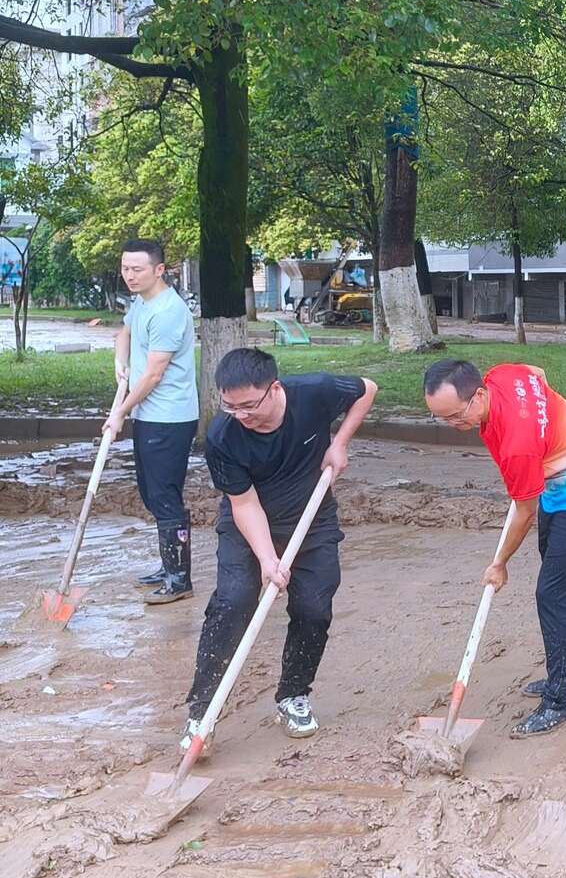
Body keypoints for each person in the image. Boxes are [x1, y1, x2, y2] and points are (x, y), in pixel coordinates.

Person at [185, 349, 376, 746]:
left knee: (313, 607)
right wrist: (268, 559)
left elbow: (366, 390)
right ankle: (201, 713)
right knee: (233, 602)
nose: (241, 415)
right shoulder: (222, 436)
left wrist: (339, 443)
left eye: (249, 405)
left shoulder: (314, 392)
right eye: (230, 406)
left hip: (312, 520)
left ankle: (293, 694)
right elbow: (244, 504)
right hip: (249, 526)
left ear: (274, 389)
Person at [423, 358, 566, 737]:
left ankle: (561, 700)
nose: (452, 425)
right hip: (558, 478)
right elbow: (539, 374)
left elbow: (524, 512)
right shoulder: (501, 375)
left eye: (455, 416)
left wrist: (500, 564)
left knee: (552, 593)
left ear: (477, 395)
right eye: (440, 418)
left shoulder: (516, 444)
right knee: (565, 583)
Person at [107, 239, 200, 605]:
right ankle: (169, 567)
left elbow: (153, 375)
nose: (130, 276)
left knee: (163, 496)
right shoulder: (142, 302)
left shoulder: (168, 312)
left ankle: (180, 578)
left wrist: (119, 413)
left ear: (159, 270)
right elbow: (125, 332)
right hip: (150, 415)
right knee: (151, 492)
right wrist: (120, 361)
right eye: (126, 269)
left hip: (170, 418)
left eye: (138, 269)